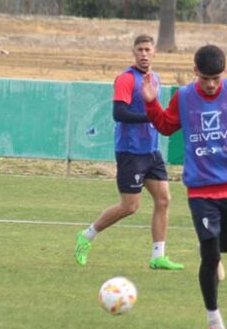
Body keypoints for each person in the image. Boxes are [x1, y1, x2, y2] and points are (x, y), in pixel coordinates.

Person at [142, 44, 227, 329]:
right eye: (205, 79)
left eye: (216, 78)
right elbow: (165, 126)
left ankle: (217, 257)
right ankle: (214, 320)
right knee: (209, 250)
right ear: (195, 73)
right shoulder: (185, 97)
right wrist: (151, 103)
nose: (211, 84)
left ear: (223, 74)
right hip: (200, 189)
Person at [73, 34, 184, 271]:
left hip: (151, 151)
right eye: (140, 50)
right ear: (133, 52)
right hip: (130, 151)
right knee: (130, 207)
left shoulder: (155, 78)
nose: (144, 54)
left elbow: (156, 111)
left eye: (148, 49)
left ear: (155, 52)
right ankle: (86, 235)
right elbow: (119, 113)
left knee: (164, 200)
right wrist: (152, 116)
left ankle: (158, 256)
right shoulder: (126, 79)